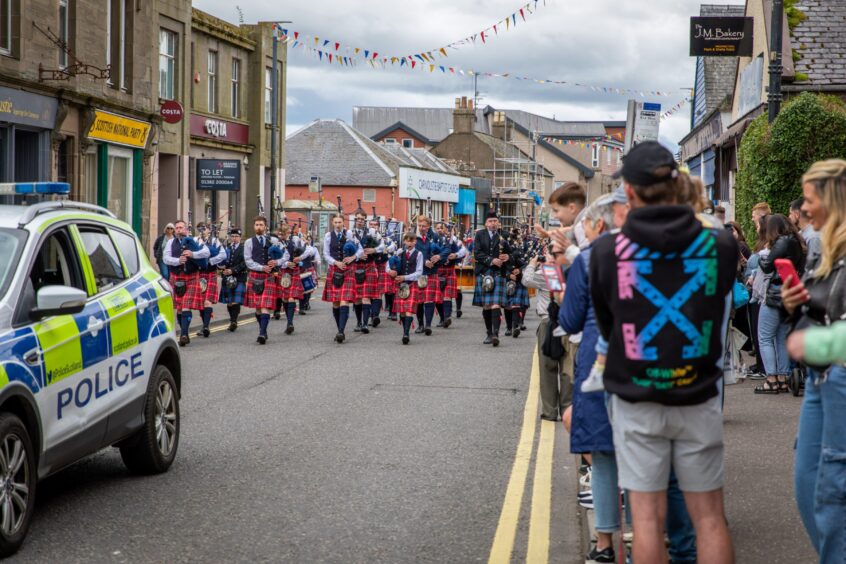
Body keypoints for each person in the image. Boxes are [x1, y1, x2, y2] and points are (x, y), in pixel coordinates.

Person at [590, 141, 737, 563]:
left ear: (630, 194)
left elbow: (608, 326)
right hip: (698, 394)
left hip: (637, 396)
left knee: (647, 520)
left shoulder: (606, 252)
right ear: (676, 185)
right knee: (709, 516)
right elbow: (716, 301)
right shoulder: (720, 245)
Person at [781, 159, 846, 562]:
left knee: (833, 495)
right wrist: (795, 306)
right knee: (810, 488)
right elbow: (822, 312)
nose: (803, 211)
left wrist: (818, 345)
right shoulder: (826, 251)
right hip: (822, 382)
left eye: (808, 200)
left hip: (839, 377)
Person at [559, 195, 620, 563]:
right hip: (649, 361)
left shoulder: (589, 257)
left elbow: (569, 321)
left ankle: (605, 545)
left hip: (600, 361)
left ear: (598, 225)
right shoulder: (655, 253)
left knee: (602, 453)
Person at [754, 214, 807, 394]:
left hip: (775, 294)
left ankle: (771, 379)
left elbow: (768, 265)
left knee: (765, 337)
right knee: (781, 339)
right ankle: (784, 379)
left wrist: (761, 257)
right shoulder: (797, 242)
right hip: (789, 294)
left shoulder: (782, 242)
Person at [162, 220, 210, 346]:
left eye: (181, 227)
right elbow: (165, 258)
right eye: (176, 228)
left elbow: (206, 252)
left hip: (191, 276)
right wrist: (178, 260)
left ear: (186, 229)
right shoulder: (171, 242)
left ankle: (184, 334)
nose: (178, 230)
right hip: (176, 277)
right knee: (179, 308)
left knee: (185, 305)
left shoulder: (195, 240)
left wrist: (192, 254)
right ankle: (184, 332)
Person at [322, 214, 363, 343]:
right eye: (336, 222)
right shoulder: (328, 236)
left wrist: (353, 258)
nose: (338, 224)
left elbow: (360, 250)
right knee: (336, 302)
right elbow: (325, 254)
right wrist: (336, 262)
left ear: (343, 223)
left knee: (344, 300)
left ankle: (341, 331)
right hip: (335, 270)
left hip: (348, 270)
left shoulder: (350, 235)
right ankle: (339, 328)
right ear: (332, 223)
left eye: (340, 222)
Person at [244, 216, 283, 345]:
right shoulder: (249, 242)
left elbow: (284, 255)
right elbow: (248, 260)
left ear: (265, 226)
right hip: (255, 276)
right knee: (258, 308)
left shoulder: (273, 240)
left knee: (265, 306)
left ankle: (262, 333)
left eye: (261, 225)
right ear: (254, 226)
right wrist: (261, 267)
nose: (258, 227)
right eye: (256, 225)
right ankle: (263, 330)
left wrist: (276, 262)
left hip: (269, 277)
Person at [473, 211, 509, 346]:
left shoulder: (504, 236)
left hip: (499, 273)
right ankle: (489, 332)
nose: (493, 223)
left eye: (495, 221)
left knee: (496, 304)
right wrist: (491, 260)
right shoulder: (479, 235)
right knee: (487, 305)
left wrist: (508, 257)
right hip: (484, 271)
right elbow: (477, 253)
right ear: (486, 223)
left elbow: (512, 252)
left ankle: (495, 334)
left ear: (498, 223)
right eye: (490, 221)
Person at [387, 233, 424, 344]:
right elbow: (388, 264)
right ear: (404, 242)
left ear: (415, 242)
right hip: (401, 285)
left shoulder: (419, 254)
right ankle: (405, 330)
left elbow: (419, 272)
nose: (409, 243)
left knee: (408, 310)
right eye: (407, 241)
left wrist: (405, 277)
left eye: (412, 241)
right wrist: (390, 271)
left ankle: (406, 334)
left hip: (412, 284)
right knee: (402, 312)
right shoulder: (399, 253)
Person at [350, 209, 383, 333]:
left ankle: (364, 324)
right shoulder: (349, 232)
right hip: (355, 266)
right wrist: (357, 255)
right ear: (355, 219)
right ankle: (359, 322)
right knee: (357, 298)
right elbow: (345, 249)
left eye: (362, 219)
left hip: (369, 265)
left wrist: (374, 250)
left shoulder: (372, 232)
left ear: (365, 220)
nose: (360, 221)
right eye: (358, 219)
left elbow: (382, 246)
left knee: (366, 297)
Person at [196, 223, 227, 338]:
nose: (203, 231)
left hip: (210, 273)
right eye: (200, 229)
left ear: (209, 230)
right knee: (201, 303)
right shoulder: (195, 241)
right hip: (199, 274)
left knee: (207, 302)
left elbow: (223, 254)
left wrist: (210, 261)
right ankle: (204, 325)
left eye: (205, 229)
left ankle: (205, 326)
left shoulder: (214, 241)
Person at [414, 216, 443, 336]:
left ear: (428, 226)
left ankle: (428, 325)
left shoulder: (435, 237)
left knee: (429, 300)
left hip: (432, 272)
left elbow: (442, 251)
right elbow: (411, 254)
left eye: (424, 226)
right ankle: (420, 325)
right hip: (419, 273)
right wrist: (424, 261)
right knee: (419, 301)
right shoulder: (414, 238)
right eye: (419, 226)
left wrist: (437, 258)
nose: (421, 228)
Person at [276, 223, 305, 335]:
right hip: (284, 271)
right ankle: (289, 322)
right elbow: (275, 259)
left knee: (291, 297)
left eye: (286, 232)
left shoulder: (296, 240)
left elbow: (308, 250)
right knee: (285, 298)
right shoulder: (277, 244)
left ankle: (290, 323)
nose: (284, 235)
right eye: (283, 233)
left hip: (294, 271)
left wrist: (300, 258)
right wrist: (286, 263)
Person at [219, 227, 247, 332]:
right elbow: (222, 262)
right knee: (229, 302)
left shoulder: (244, 249)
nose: (234, 238)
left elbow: (245, 263)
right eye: (233, 236)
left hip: (239, 277)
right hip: (227, 278)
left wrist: (233, 270)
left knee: (235, 301)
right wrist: (222, 269)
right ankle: (232, 320)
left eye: (236, 236)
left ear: (240, 237)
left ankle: (234, 321)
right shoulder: (227, 248)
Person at [369, 217, 394, 327]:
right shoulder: (365, 237)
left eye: (375, 224)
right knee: (370, 292)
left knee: (380, 292)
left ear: (378, 226)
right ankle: (371, 315)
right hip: (369, 266)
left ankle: (376, 315)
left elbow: (393, 246)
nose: (373, 226)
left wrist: (387, 249)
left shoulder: (385, 238)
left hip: (382, 265)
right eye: (371, 224)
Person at [791, 197, 822, 264]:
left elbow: (815, 265)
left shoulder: (813, 236)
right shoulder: (801, 233)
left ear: (797, 214)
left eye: (790, 213)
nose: (789, 217)